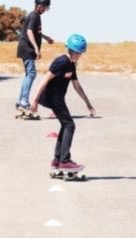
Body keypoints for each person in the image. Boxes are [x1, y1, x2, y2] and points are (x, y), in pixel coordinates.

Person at [30, 33, 97, 172]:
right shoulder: (62, 61)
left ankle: (57, 159)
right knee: (70, 125)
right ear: (75, 52)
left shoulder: (71, 64)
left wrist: (88, 104)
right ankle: (64, 161)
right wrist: (35, 100)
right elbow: (46, 78)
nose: (81, 55)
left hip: (58, 98)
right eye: (80, 53)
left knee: (65, 125)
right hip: (52, 97)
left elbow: (77, 85)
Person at [15, 0, 54, 115]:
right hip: (27, 48)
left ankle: (20, 100)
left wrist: (46, 38)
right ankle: (23, 101)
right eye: (44, 8)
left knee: (29, 74)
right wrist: (36, 48)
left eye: (46, 8)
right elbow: (29, 31)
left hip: (25, 48)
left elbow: (36, 32)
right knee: (31, 73)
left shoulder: (34, 16)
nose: (44, 10)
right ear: (39, 6)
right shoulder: (34, 16)